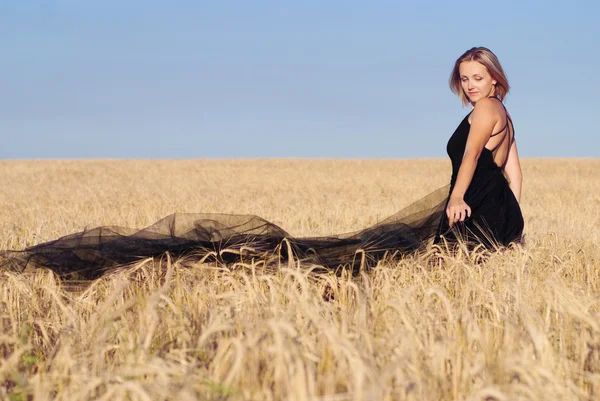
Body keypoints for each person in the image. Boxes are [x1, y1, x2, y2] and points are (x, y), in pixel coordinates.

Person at [0, 47, 524, 279]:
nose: (471, 84)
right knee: (419, 264)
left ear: (495, 79)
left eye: (478, 76)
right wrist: (515, 220)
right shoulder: (504, 113)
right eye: (465, 77)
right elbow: (512, 166)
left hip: (471, 207)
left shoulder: (483, 112)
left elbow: (474, 159)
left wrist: (457, 198)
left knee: (385, 258)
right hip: (491, 211)